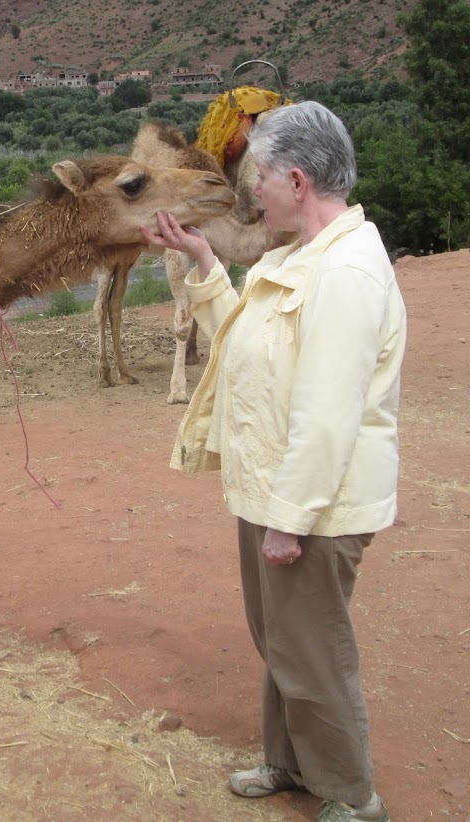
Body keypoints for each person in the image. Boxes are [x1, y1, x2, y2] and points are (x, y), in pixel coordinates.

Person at [140, 100, 406, 822]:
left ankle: (352, 793)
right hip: (272, 492)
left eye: (260, 175)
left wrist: (288, 522)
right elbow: (245, 344)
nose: (251, 189)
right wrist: (202, 262)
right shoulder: (297, 257)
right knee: (282, 638)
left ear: (296, 179)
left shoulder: (346, 272)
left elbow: (327, 416)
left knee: (311, 646)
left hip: (313, 505)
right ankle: (288, 763)